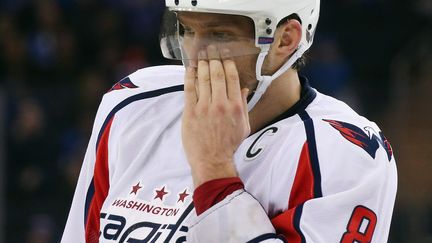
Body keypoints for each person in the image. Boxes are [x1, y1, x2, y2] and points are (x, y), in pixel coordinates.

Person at [61, 0, 397, 242]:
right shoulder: (133, 104)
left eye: (220, 35)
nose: (195, 55)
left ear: (285, 39)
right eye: (187, 29)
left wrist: (214, 168)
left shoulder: (348, 152)